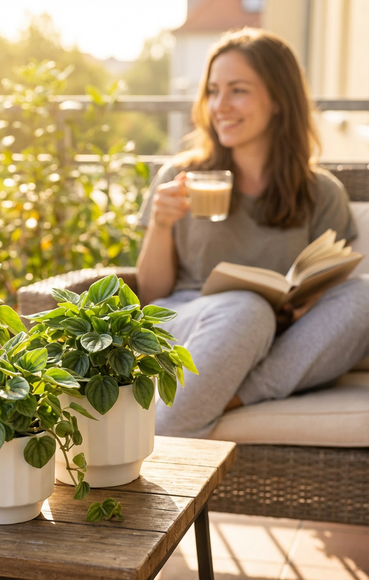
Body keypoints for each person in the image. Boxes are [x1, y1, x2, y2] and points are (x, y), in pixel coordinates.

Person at [136, 27, 369, 438]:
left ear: (278, 100)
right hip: (193, 321)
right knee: (246, 309)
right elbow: (153, 295)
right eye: (212, 91)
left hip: (279, 333)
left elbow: (323, 287)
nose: (219, 106)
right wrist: (160, 224)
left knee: (363, 293)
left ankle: (231, 394)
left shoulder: (319, 192)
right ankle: (181, 419)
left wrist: (303, 304)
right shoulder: (182, 178)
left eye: (237, 91)